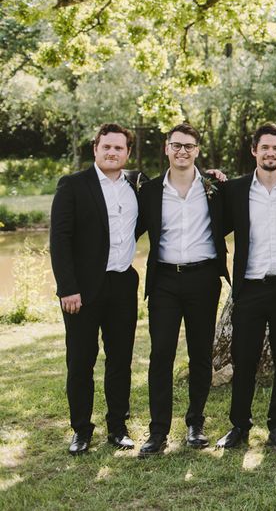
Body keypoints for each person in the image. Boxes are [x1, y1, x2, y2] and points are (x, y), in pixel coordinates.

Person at [50, 123, 143, 455]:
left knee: (119, 360)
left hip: (122, 284)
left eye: (119, 148)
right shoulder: (73, 185)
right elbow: (59, 240)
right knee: (80, 362)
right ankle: (81, 430)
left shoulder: (136, 185)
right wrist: (67, 288)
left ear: (127, 153)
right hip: (83, 291)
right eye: (107, 147)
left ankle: (117, 427)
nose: (113, 152)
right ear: (95, 149)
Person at [137, 123, 229, 457]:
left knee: (200, 354)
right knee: (160, 354)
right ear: (166, 149)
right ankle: (158, 431)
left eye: (189, 146)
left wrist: (223, 180)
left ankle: (195, 424)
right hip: (164, 281)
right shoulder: (147, 191)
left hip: (204, 279)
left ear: (198, 151)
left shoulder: (214, 189)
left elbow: (237, 219)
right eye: (176, 145)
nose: (182, 151)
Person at [215, 123, 276, 451]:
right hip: (250, 288)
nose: (270, 153)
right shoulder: (235, 190)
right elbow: (210, 224)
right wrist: (211, 179)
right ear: (254, 151)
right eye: (264, 147)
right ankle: (239, 425)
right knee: (244, 358)